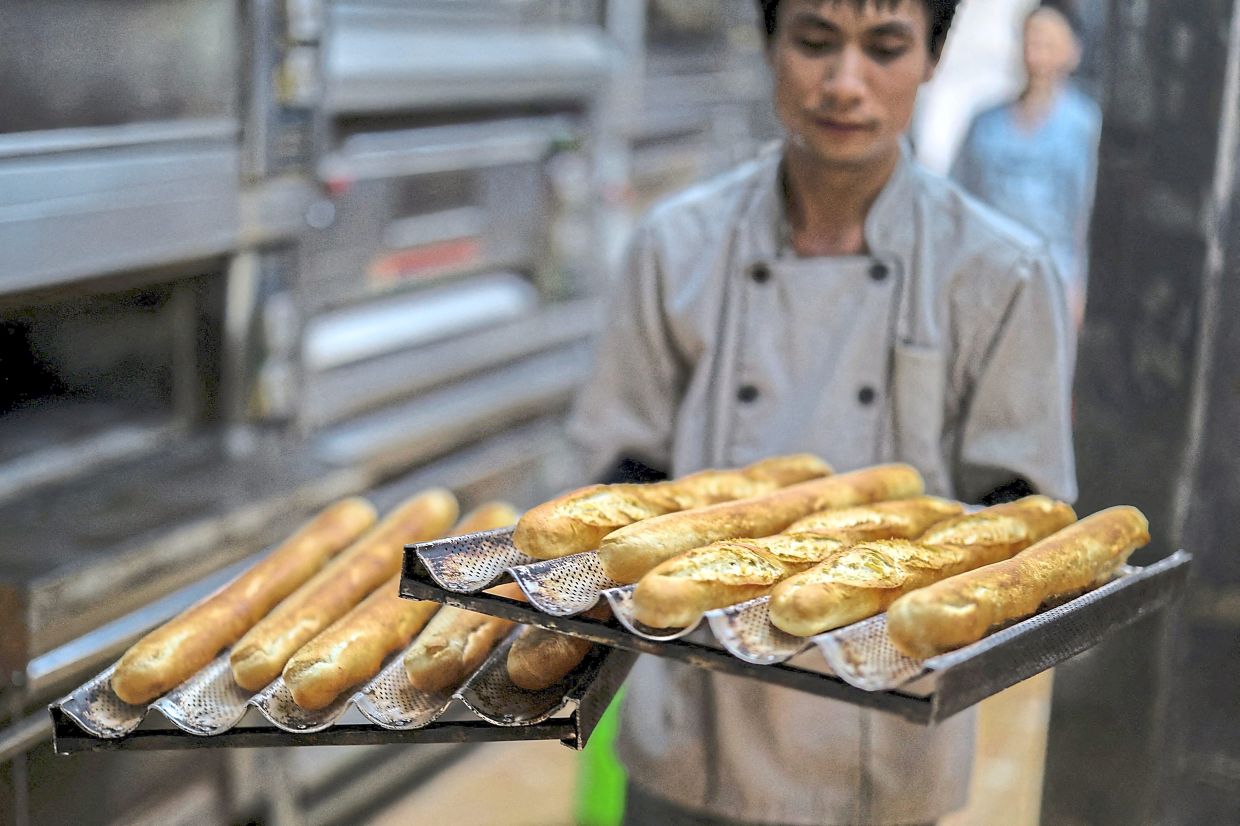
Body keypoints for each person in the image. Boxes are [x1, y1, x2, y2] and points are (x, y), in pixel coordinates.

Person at [568, 0, 1077, 823]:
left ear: (933, 57)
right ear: (769, 44)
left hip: (880, 738)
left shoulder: (1003, 275)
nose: (846, 84)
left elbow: (1019, 525)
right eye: (813, 43)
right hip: (693, 732)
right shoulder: (677, 246)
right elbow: (622, 478)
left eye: (884, 48)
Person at [951, 3, 1102, 329]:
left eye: (1050, 42)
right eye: (1031, 39)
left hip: (1052, 278)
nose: (1038, 53)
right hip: (986, 275)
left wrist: (1078, 285)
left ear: (1073, 52)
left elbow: (1085, 212)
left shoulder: (1085, 126)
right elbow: (957, 201)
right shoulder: (984, 123)